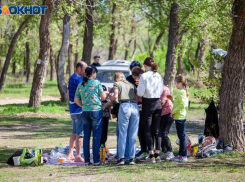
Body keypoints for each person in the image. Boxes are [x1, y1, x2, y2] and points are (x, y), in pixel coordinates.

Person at [74, 66, 108, 166]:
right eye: (95, 73)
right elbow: (103, 97)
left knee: (86, 137)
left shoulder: (81, 84)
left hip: (85, 112)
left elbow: (76, 99)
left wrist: (83, 106)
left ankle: (87, 160)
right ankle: (97, 160)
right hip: (96, 111)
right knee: (96, 137)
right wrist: (106, 93)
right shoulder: (97, 83)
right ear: (92, 73)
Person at [137, 57, 163, 163]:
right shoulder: (158, 75)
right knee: (156, 130)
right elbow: (161, 89)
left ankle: (151, 155)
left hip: (148, 103)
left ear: (145, 66)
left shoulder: (144, 76)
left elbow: (140, 92)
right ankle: (157, 154)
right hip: (158, 103)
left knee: (147, 130)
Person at [111, 72, 139, 165]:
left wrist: (110, 98)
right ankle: (132, 158)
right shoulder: (131, 84)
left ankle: (121, 158)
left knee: (123, 133)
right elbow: (137, 96)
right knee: (132, 134)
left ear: (116, 79)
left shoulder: (117, 84)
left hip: (124, 106)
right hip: (134, 107)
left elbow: (115, 96)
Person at [67, 61, 87, 162]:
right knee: (80, 133)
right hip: (79, 110)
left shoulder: (71, 78)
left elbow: (68, 92)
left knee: (74, 132)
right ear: (79, 69)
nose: (86, 72)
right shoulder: (80, 80)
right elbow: (82, 95)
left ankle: (70, 154)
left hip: (72, 109)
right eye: (84, 69)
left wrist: (71, 104)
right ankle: (78, 156)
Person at [129, 68, 148, 160]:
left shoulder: (144, 81)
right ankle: (144, 150)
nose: (135, 80)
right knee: (140, 131)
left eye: (135, 77)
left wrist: (137, 94)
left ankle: (147, 150)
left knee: (145, 130)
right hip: (139, 109)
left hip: (146, 108)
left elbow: (141, 95)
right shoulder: (138, 82)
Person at [171, 76, 189, 162]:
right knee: (181, 136)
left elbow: (182, 105)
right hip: (181, 115)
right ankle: (181, 154)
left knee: (181, 136)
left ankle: (183, 155)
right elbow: (179, 103)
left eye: (176, 83)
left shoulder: (181, 92)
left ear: (180, 83)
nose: (175, 85)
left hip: (180, 116)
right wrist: (172, 100)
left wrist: (174, 111)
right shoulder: (182, 91)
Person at [159, 85, 174, 161]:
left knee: (164, 134)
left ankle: (170, 151)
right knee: (160, 133)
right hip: (161, 113)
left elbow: (162, 102)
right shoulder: (156, 88)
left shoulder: (164, 89)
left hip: (168, 113)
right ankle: (164, 152)